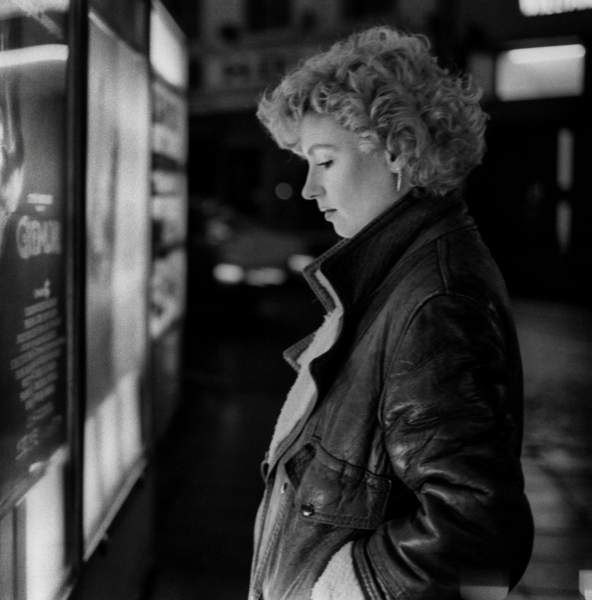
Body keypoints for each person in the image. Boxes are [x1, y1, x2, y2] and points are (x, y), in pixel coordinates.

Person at [250, 26, 533, 599]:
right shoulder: (404, 271)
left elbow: (477, 535)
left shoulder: (437, 301)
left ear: (398, 150)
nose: (307, 188)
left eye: (324, 161)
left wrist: (334, 591)